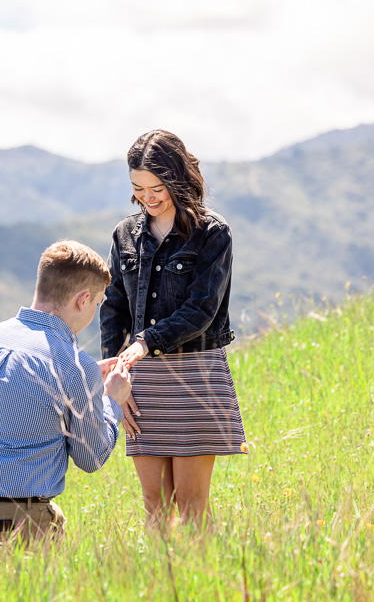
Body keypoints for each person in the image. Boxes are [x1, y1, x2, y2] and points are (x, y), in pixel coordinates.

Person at [0, 240, 133, 545]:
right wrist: (110, 400)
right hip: (11, 518)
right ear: (83, 300)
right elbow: (91, 457)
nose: (96, 310)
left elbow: (16, 392)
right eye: (98, 303)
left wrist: (87, 380)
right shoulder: (73, 365)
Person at [100, 129, 247, 531]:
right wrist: (117, 378)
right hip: (141, 376)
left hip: (197, 374)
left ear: (179, 179)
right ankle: (158, 583)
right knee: (154, 503)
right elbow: (112, 308)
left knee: (191, 502)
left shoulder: (213, 233)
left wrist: (146, 342)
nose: (147, 197)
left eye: (157, 187)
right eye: (138, 187)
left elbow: (201, 310)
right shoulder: (124, 234)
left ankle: (201, 580)